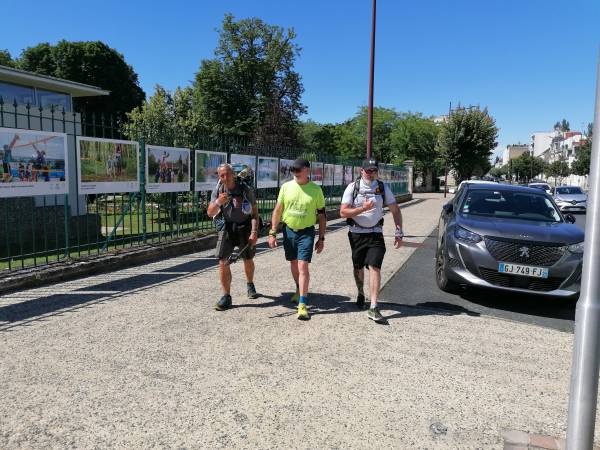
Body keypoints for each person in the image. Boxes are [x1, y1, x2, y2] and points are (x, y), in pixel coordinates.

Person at [340, 158, 404, 324]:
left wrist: (399, 231)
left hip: (376, 233)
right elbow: (343, 212)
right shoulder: (353, 187)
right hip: (356, 234)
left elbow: (395, 209)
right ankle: (361, 293)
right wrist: (363, 208)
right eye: (368, 170)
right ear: (361, 171)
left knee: (375, 266)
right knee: (358, 266)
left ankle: (374, 306)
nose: (371, 173)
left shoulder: (382, 187)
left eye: (374, 170)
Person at [268, 158, 326, 321]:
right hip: (289, 231)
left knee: (302, 265)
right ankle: (299, 288)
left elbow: (322, 216)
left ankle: (302, 304)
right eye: (293, 170)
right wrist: (272, 232)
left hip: (306, 232)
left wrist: (321, 238)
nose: (295, 173)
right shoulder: (286, 187)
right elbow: (278, 211)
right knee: (293, 263)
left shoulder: (316, 190)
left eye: (298, 170)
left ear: (307, 170)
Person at [207, 163, 260, 310]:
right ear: (219, 177)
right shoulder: (218, 190)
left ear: (233, 174)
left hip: (245, 226)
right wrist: (218, 202)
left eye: (228, 174)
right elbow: (210, 213)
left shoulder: (245, 189)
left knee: (248, 259)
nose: (225, 177)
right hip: (227, 228)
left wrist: (254, 232)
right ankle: (226, 296)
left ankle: (250, 284)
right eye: (222, 175)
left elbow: (255, 213)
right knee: (222, 260)